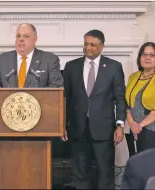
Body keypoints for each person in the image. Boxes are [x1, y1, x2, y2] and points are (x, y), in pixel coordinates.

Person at [62, 29, 126, 189]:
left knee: (105, 172)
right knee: (79, 172)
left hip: (103, 129)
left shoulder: (113, 67)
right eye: (86, 44)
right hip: (77, 127)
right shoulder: (71, 67)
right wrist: (62, 125)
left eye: (92, 44)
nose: (88, 47)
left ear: (101, 46)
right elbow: (65, 99)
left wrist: (120, 125)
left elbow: (120, 98)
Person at [0, 23, 63, 88]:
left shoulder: (49, 59)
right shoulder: (1, 60)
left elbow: (56, 86)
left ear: (35, 39)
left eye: (26, 36)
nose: (21, 39)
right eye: (18, 36)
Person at [125, 42, 155, 153]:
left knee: (148, 165)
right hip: (131, 128)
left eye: (152, 55)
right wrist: (131, 123)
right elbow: (127, 104)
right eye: (144, 54)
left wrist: (139, 126)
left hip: (152, 129)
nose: (147, 58)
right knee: (134, 161)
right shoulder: (133, 77)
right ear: (139, 58)